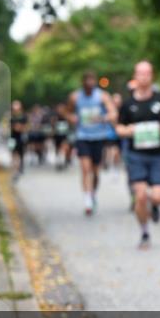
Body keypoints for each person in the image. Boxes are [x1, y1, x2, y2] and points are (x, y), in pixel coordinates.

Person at [116, 61, 160, 249]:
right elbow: (119, 128)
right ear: (135, 76)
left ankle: (155, 205)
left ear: (152, 76)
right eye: (140, 73)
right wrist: (129, 131)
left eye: (147, 73)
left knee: (159, 197)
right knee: (140, 196)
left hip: (157, 155)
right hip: (136, 155)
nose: (144, 77)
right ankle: (144, 232)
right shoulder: (128, 104)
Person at [67, 71, 117, 216]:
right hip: (82, 136)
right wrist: (72, 118)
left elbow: (113, 112)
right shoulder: (75, 97)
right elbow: (67, 112)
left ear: (94, 83)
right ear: (83, 83)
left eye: (92, 83)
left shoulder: (102, 96)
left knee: (95, 172)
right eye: (86, 83)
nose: (89, 86)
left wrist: (104, 117)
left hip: (99, 136)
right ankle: (87, 199)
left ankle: (93, 193)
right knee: (85, 168)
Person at [9, 100, 28, 179]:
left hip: (20, 137)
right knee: (13, 153)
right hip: (12, 138)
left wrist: (20, 128)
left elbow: (25, 127)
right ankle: (15, 169)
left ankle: (20, 167)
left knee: (21, 152)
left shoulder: (23, 117)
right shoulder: (10, 117)